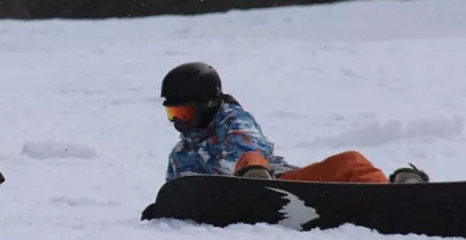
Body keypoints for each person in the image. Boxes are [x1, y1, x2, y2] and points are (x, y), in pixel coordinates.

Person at [160, 61, 428, 184]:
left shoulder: (232, 121)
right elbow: (179, 196)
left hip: (283, 183)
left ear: (206, 104)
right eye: (172, 114)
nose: (178, 123)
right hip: (233, 201)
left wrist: (251, 171)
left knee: (350, 161)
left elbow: (248, 145)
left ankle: (394, 194)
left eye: (183, 113)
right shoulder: (181, 155)